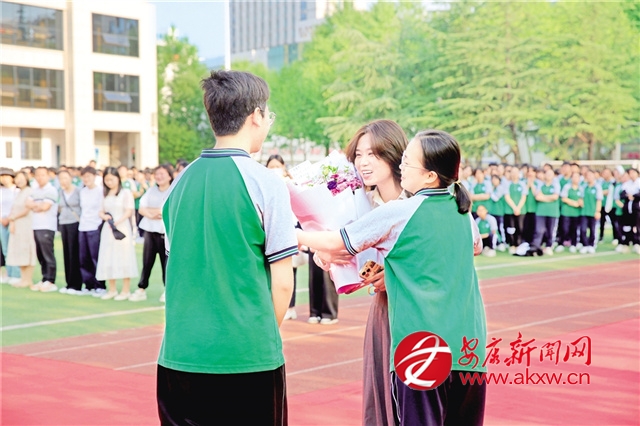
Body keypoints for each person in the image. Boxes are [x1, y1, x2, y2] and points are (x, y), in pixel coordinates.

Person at [297, 129, 487, 426]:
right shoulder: (462, 212)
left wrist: (292, 234)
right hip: (469, 348)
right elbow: (474, 248)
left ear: (430, 176)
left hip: (421, 347)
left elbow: (337, 241)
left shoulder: (401, 211)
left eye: (407, 161)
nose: (402, 166)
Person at [157, 70, 296, 426]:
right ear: (256, 116)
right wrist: (260, 336)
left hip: (181, 354)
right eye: (268, 114)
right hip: (247, 358)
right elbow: (283, 282)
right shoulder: (265, 183)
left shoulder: (178, 185)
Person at [129, 164, 174, 303]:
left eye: (162, 174)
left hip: (165, 232)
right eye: (157, 174)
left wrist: (154, 210)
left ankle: (167, 290)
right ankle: (141, 288)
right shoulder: (151, 190)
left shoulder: (173, 191)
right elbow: (142, 208)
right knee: (147, 261)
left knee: (166, 262)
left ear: (169, 176)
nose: (159, 177)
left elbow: (168, 209)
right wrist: (153, 213)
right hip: (150, 231)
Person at [95, 167, 138, 300]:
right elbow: (100, 211)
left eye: (112, 179)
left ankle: (125, 290)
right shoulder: (104, 194)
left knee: (124, 256)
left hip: (122, 228)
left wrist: (118, 221)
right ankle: (112, 289)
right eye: (106, 180)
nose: (109, 182)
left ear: (118, 179)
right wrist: (105, 217)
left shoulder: (125, 193)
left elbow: (129, 210)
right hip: (108, 229)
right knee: (108, 256)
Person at [266, 154, 300, 321]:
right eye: (271, 166)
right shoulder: (264, 183)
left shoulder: (290, 185)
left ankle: (288, 307)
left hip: (290, 230)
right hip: (269, 231)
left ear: (283, 167)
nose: (274, 170)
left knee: (289, 270)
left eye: (277, 166)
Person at [27, 167, 58, 292]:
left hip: (47, 226)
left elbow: (45, 207)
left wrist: (36, 205)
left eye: (43, 175)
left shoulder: (51, 190)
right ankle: (44, 277)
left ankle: (50, 280)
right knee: (40, 253)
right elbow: (27, 204)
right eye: (38, 175)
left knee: (47, 253)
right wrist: (37, 205)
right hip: (36, 225)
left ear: (48, 176)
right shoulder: (34, 190)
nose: (40, 178)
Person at [78, 167, 106, 296]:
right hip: (83, 227)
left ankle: (100, 285)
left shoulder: (100, 191)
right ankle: (88, 284)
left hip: (95, 226)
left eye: (88, 176)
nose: (86, 179)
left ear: (94, 176)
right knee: (84, 258)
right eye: (84, 177)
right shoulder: (82, 192)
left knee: (96, 257)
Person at [6, 171, 37, 288]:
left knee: (27, 250)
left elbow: (27, 209)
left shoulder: (30, 191)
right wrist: (12, 221)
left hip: (25, 225)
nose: (19, 181)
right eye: (17, 178)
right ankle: (23, 278)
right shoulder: (18, 192)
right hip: (17, 225)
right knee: (19, 250)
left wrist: (13, 218)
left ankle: (28, 279)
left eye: (21, 178)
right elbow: (14, 208)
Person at [57, 170, 83, 294]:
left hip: (75, 223)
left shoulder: (78, 191)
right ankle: (69, 283)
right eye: (61, 178)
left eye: (66, 178)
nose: (63, 181)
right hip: (64, 223)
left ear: (71, 178)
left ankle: (76, 284)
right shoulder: (61, 192)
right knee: (66, 253)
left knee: (74, 253)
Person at [529, 168, 561, 256]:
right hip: (541, 211)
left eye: (550, 174)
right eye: (547, 174)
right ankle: (536, 246)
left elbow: (555, 197)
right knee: (538, 230)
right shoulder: (541, 184)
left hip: (552, 211)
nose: (548, 176)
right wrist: (548, 198)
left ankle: (549, 246)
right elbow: (537, 196)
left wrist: (543, 197)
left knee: (550, 230)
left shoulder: (556, 185)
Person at [1, 168, 21, 285]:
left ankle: (16, 274)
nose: (4, 179)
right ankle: (9, 273)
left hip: (14, 221)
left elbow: (17, 206)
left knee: (14, 248)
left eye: (6, 176)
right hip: (1, 221)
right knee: (5, 249)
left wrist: (10, 218)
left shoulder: (17, 191)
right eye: (2, 176)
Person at [503, 166, 527, 253]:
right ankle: (512, 244)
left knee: (520, 228)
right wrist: (514, 207)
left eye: (516, 172)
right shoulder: (507, 184)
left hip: (521, 210)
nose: (514, 174)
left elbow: (524, 197)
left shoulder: (522, 184)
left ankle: (518, 244)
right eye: (512, 172)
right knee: (511, 228)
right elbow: (507, 196)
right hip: (510, 210)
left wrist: (518, 208)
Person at [579, 170, 603, 254]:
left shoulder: (597, 187)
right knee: (583, 229)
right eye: (587, 175)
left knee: (593, 229)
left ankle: (591, 245)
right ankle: (585, 245)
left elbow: (599, 200)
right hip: (584, 211)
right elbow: (581, 198)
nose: (589, 177)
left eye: (591, 175)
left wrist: (598, 211)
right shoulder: (584, 187)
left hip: (593, 212)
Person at [560, 172, 584, 253]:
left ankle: (573, 244)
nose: (575, 179)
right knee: (564, 228)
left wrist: (580, 203)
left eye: (577, 177)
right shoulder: (567, 187)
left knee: (574, 229)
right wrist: (574, 203)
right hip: (566, 211)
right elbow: (564, 198)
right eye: (574, 177)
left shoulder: (581, 188)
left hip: (576, 212)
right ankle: (561, 243)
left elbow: (582, 199)